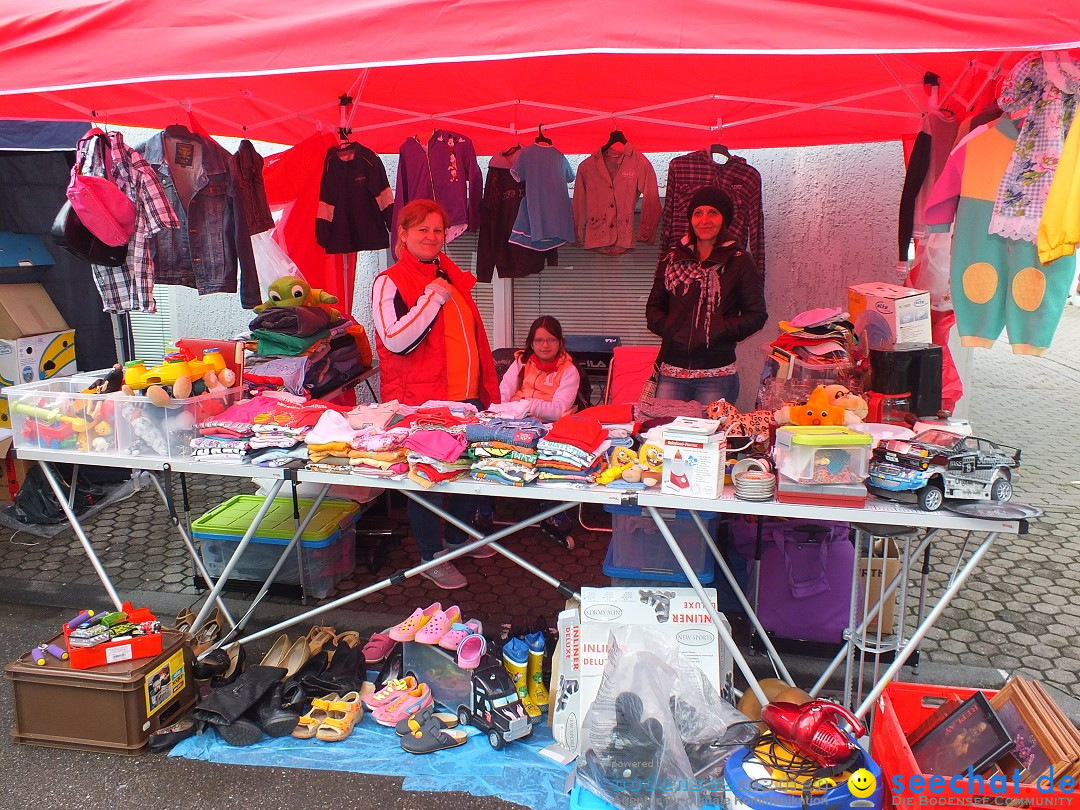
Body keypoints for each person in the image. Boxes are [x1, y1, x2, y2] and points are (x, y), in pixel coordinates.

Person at [372, 199, 500, 590]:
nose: (431, 236)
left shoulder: (447, 274)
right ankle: (431, 555)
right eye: (422, 229)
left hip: (465, 397)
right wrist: (433, 296)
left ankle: (458, 541)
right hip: (423, 402)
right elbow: (394, 341)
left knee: (463, 471)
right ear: (404, 234)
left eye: (438, 230)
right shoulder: (390, 281)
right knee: (426, 478)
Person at [646, 186, 767, 406]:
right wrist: (671, 327)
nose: (704, 220)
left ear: (724, 219)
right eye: (698, 213)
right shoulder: (671, 259)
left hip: (717, 375)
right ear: (690, 219)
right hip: (672, 372)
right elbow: (654, 308)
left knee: (711, 438)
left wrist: (718, 329)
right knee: (666, 436)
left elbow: (756, 314)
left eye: (713, 212)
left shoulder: (739, 261)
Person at [474, 316, 584, 545]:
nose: (545, 345)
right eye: (539, 340)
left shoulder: (569, 370)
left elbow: (557, 409)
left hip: (548, 427)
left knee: (550, 456)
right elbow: (502, 392)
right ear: (531, 343)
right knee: (486, 450)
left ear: (560, 342)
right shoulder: (521, 362)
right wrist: (503, 409)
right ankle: (483, 512)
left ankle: (551, 514)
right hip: (514, 421)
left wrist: (526, 405)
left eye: (551, 340)